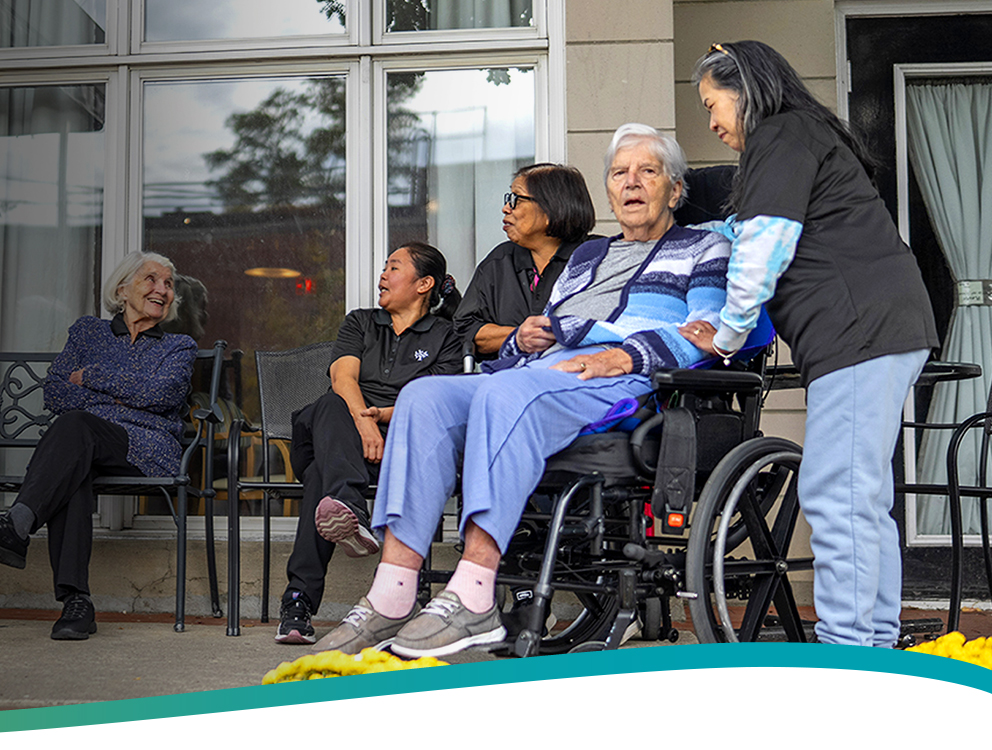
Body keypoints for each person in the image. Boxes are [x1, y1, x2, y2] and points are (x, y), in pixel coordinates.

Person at [315, 124, 731, 658]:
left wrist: (624, 356)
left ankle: (474, 593)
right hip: (540, 369)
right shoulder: (589, 256)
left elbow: (707, 332)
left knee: (503, 395)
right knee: (424, 398)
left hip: (616, 380)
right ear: (608, 190)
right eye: (619, 173)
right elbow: (542, 331)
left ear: (674, 190)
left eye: (647, 171)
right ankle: (392, 593)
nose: (631, 182)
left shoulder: (705, 247)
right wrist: (521, 338)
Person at [685, 41, 938, 647]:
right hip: (883, 327)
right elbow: (750, 229)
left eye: (712, 104)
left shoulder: (778, 135)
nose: (712, 122)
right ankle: (875, 645)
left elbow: (762, 248)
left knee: (835, 495)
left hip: (857, 331)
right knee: (861, 498)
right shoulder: (802, 136)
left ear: (745, 90)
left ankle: (847, 653)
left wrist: (728, 336)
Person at [0, 252, 197, 641]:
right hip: (85, 444)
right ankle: (76, 604)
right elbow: (55, 391)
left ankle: (17, 526)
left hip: (147, 447)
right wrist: (124, 397)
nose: (162, 289)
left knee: (76, 427)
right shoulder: (88, 332)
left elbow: (162, 394)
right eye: (151, 279)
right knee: (75, 463)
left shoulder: (178, 346)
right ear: (122, 290)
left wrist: (94, 376)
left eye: (168, 284)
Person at [276, 242, 463, 644]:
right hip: (339, 432)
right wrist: (365, 423)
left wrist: (382, 418)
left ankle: (298, 602)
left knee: (320, 479)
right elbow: (342, 379)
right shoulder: (360, 321)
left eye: (394, 267)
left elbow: (435, 399)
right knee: (331, 404)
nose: (383, 275)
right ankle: (351, 506)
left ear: (424, 284)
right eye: (384, 267)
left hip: (397, 441)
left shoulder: (445, 336)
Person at [453, 164, 596, 360]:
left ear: (551, 208)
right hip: (510, 374)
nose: (506, 208)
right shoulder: (501, 260)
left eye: (516, 200)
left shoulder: (598, 257)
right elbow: (465, 330)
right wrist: (519, 336)